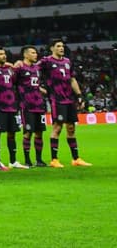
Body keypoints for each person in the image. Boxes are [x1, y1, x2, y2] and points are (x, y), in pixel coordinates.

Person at [39, 37, 91, 167]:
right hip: (57, 100)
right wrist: (42, 89)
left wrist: (79, 95)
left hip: (69, 99)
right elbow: (32, 70)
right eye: (58, 46)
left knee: (71, 128)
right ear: (52, 48)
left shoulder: (68, 61)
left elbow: (72, 80)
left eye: (62, 46)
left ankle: (76, 159)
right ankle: (54, 160)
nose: (61, 48)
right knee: (57, 127)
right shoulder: (46, 61)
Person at [0, 46, 24, 170]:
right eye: (1, 54)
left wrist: (15, 66)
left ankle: (13, 161)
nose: (4, 56)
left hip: (11, 106)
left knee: (12, 133)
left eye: (4, 54)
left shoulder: (9, 69)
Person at [13, 46, 49, 167]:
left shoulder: (37, 68)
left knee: (39, 133)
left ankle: (39, 160)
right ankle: (27, 160)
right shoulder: (19, 68)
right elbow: (13, 82)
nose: (36, 55)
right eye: (33, 53)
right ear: (25, 55)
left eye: (36, 53)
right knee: (28, 132)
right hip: (26, 106)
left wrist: (41, 89)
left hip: (39, 104)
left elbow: (33, 83)